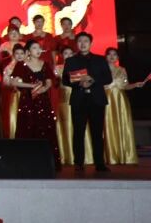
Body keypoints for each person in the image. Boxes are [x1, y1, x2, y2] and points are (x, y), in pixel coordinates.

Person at [62, 33, 113, 173]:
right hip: (79, 100)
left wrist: (93, 80)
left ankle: (100, 163)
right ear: (76, 44)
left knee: (97, 133)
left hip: (97, 100)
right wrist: (79, 83)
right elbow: (65, 80)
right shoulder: (71, 60)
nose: (83, 44)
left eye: (86, 41)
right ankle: (78, 163)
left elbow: (108, 78)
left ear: (91, 43)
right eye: (80, 41)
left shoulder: (100, 60)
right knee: (78, 132)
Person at [9, 39, 59, 166]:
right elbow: (13, 82)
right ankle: (26, 161)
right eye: (34, 48)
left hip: (43, 100)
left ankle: (46, 161)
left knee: (45, 127)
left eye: (39, 48)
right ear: (28, 51)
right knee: (27, 126)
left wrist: (44, 88)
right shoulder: (21, 64)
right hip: (27, 100)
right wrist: (31, 86)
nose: (38, 50)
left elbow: (49, 81)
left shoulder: (45, 64)